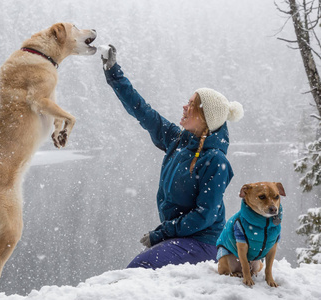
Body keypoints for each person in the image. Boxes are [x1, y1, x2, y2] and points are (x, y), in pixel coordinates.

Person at [101, 45, 244, 269]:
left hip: (204, 242)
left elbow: (203, 217)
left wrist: (162, 233)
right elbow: (142, 111)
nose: (184, 107)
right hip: (181, 238)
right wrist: (113, 73)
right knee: (139, 269)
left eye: (192, 105)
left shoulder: (216, 161)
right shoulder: (179, 141)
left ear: (206, 118)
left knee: (140, 268)